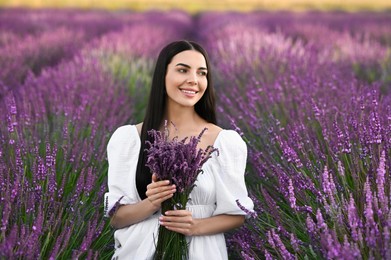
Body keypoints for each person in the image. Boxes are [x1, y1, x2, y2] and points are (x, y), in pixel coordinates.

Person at [104, 40, 254, 260]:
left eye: (201, 73)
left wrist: (195, 226)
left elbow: (237, 213)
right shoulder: (129, 139)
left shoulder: (225, 142)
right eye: (183, 70)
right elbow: (116, 218)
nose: (193, 80)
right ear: (162, 76)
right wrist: (152, 203)